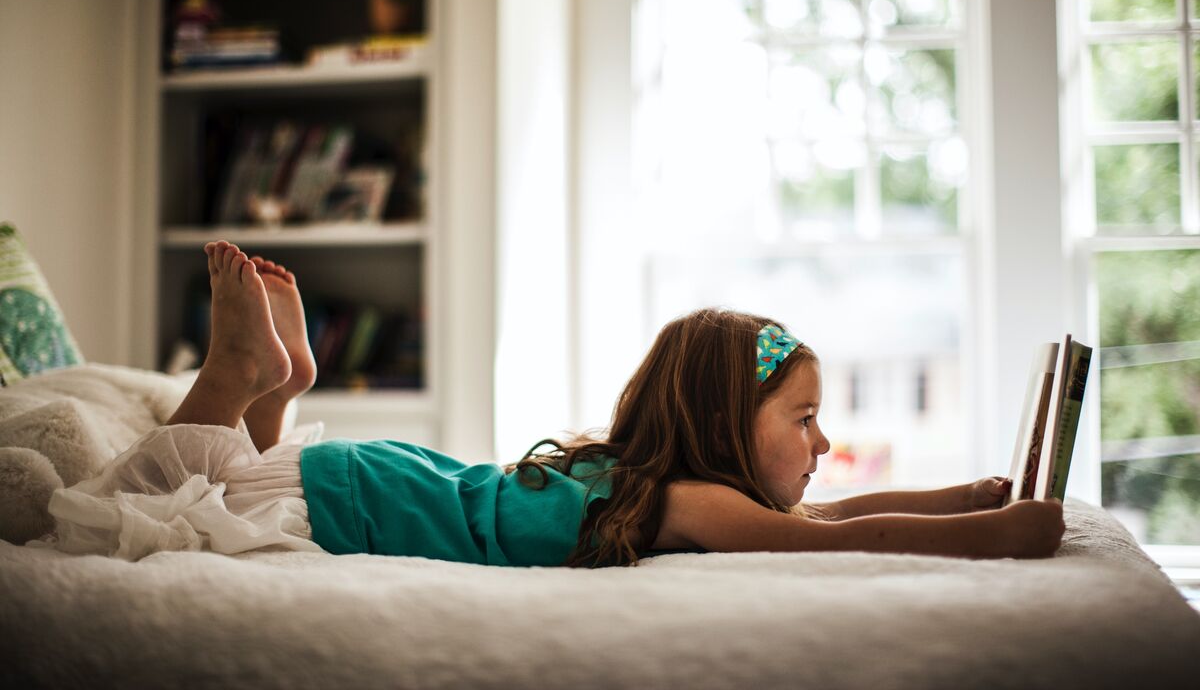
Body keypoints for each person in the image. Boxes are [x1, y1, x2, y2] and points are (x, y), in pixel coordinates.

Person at [35, 241, 1065, 565]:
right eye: (802, 418)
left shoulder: (665, 482)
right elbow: (839, 540)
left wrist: (968, 491)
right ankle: (231, 377)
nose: (824, 440)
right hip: (362, 499)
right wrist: (998, 532)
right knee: (97, 523)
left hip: (375, 478)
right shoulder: (686, 500)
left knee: (205, 489)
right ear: (719, 425)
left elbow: (832, 515)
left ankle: (281, 387)